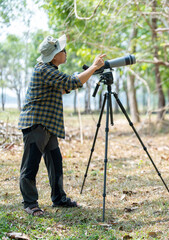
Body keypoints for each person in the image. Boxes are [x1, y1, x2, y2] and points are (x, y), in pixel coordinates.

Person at [18, 34, 106, 216]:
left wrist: (90, 71)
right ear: (54, 56)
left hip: (47, 125)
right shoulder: (44, 70)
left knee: (55, 163)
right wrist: (93, 67)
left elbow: (66, 87)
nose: (65, 53)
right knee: (30, 165)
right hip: (36, 124)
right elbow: (72, 82)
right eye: (62, 51)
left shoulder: (50, 71)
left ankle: (58, 198)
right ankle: (30, 203)